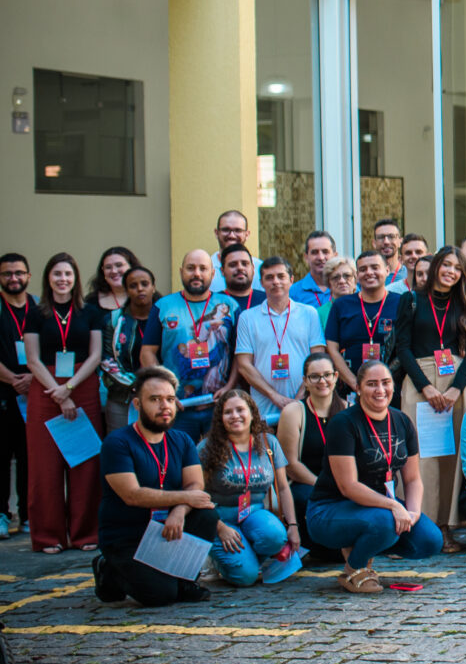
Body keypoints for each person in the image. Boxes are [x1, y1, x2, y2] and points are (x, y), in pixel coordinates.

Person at [310, 359, 444, 593]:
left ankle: (363, 544)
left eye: (386, 382)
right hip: (332, 508)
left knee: (430, 540)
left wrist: (413, 513)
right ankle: (354, 569)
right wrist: (394, 506)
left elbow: (413, 479)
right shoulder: (343, 423)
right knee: (386, 523)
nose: (380, 390)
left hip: (380, 510)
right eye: (372, 384)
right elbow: (348, 486)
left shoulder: (402, 421)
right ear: (358, 388)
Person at [92, 366, 220, 606]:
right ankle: (108, 568)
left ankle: (185, 579)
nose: (165, 406)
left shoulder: (182, 440)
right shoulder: (117, 443)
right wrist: (184, 498)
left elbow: (195, 484)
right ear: (137, 404)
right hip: (128, 535)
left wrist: (179, 511)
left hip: (167, 528)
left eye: (170, 399)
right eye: (155, 399)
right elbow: (132, 495)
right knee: (160, 595)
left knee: (206, 514)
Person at [389, 245, 466, 551]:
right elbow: (402, 347)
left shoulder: (465, 302)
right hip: (420, 381)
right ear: (435, 266)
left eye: (457, 268)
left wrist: (456, 388)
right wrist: (425, 387)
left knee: (452, 457)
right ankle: (418, 524)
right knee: (422, 457)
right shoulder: (411, 300)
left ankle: (445, 526)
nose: (450, 272)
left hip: (457, 382)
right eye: (446, 265)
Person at [22, 253, 104, 554]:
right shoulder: (35, 313)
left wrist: (68, 388)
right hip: (45, 387)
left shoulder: (90, 312)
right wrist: (57, 391)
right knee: (45, 467)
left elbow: (95, 355)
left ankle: (85, 533)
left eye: (68, 274)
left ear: (75, 278)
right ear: (48, 278)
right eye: (57, 274)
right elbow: (32, 359)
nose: (63, 279)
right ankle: (48, 536)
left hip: (82, 386)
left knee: (85, 463)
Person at [199, 387, 305, 586]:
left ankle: (244, 558)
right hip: (219, 517)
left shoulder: (268, 443)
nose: (235, 416)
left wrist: (293, 526)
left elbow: (283, 488)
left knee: (276, 537)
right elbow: (196, 494)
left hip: (254, 512)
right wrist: (219, 527)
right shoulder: (206, 448)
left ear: (252, 413)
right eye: (228, 412)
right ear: (220, 418)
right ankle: (218, 561)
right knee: (246, 577)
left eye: (240, 410)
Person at [143, 250, 242, 439]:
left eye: (203, 269)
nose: (197, 273)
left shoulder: (229, 306)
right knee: (179, 455)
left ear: (213, 273)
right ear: (181, 272)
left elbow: (241, 353)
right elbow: (147, 352)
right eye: (191, 268)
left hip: (220, 404)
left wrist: (230, 386)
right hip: (176, 406)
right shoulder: (163, 306)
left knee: (218, 456)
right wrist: (164, 392)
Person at [234, 256, 327, 418]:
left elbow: (317, 358)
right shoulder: (247, 318)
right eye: (269, 277)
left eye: (281, 276)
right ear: (261, 283)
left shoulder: (309, 313)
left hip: (305, 404)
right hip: (263, 407)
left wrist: (300, 397)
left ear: (291, 280)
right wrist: (274, 396)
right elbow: (243, 365)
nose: (276, 282)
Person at [274, 351, 341, 565]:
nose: (322, 381)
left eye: (327, 375)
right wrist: (324, 485)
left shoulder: (348, 410)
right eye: (315, 376)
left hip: (343, 485)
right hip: (306, 484)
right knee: (307, 497)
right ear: (305, 381)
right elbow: (291, 465)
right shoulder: (294, 411)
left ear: (336, 376)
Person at [323, 250, 400, 395]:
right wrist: (355, 383)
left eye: (375, 267)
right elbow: (332, 349)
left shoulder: (400, 302)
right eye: (363, 269)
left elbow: (406, 348)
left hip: (391, 388)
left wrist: (383, 383)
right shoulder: (341, 305)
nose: (369, 272)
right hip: (350, 389)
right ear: (357, 276)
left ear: (387, 270)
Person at [97, 263, 160, 433]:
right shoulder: (113, 320)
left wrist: (157, 385)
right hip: (122, 397)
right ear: (126, 290)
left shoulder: (166, 318)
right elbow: (106, 360)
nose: (140, 289)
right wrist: (136, 385)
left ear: (153, 287)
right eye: (133, 285)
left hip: (159, 395)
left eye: (145, 284)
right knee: (120, 443)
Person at [290, 230, 338, 313]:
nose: (321, 257)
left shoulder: (350, 289)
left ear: (335, 256)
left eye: (325, 252)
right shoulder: (293, 293)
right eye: (315, 252)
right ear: (306, 257)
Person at [87, 246, 142, 315]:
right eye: (108, 267)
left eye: (119, 265)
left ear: (131, 267)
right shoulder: (90, 302)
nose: (114, 271)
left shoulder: (148, 297)